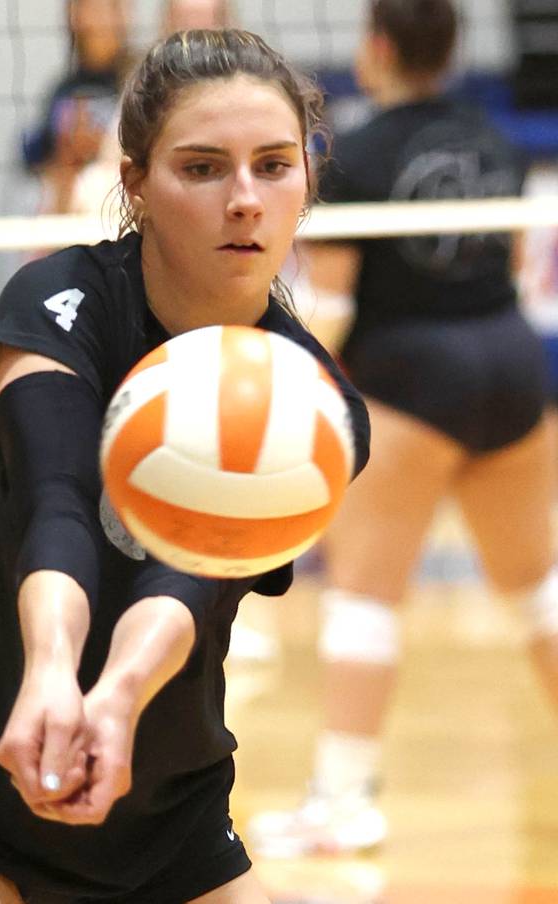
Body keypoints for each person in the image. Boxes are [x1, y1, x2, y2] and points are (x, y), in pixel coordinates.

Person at [0, 28, 370, 904]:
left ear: (306, 178)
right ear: (136, 183)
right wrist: (54, 671)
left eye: (273, 165)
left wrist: (115, 696)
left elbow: (190, 576)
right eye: (202, 168)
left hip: (163, 822)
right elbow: (59, 503)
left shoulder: (316, 407)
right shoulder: (58, 305)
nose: (245, 199)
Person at [247, 0, 558, 859]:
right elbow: (518, 263)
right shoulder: (494, 136)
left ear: (375, 47)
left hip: (413, 381)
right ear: (453, 50)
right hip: (510, 361)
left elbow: (334, 304)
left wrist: (284, 380)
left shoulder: (358, 150)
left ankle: (343, 805)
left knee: (364, 597)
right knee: (537, 591)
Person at [23, 0, 129, 216]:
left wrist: (101, 145)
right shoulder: (63, 89)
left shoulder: (135, 79)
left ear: (121, 15)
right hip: (68, 207)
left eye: (101, 9)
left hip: (117, 204)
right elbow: (34, 154)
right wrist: (68, 151)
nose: (91, 19)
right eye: (83, 8)